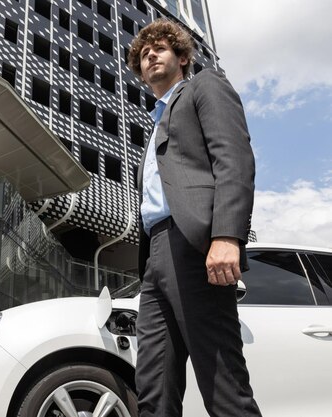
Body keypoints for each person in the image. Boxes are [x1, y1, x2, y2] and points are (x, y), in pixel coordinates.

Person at [126, 19, 262, 416]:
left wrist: (226, 236)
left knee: (222, 386)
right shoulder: (153, 127)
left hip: (195, 246)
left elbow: (233, 160)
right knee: (153, 389)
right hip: (154, 258)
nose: (151, 54)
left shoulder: (206, 86)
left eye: (161, 49)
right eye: (145, 53)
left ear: (183, 57)